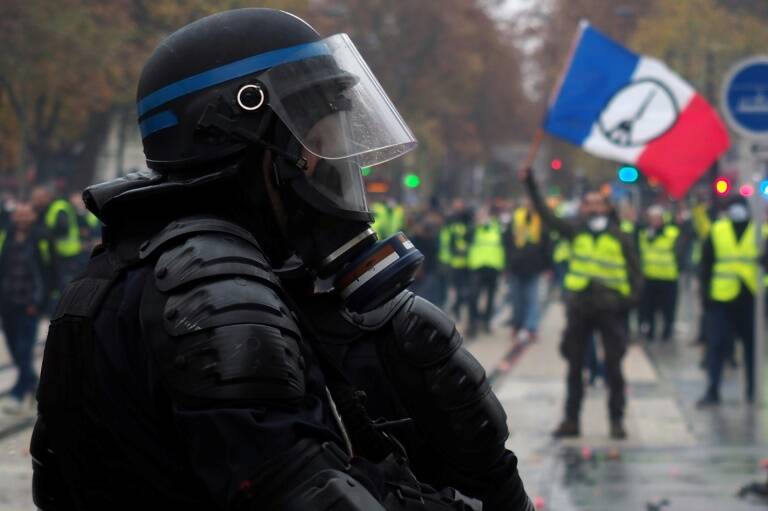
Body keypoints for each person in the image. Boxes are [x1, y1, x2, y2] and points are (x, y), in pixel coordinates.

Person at [31, 9, 532, 511]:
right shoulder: (214, 289)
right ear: (240, 134)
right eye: (319, 142)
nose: (338, 165)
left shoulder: (128, 269)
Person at [521, 168, 642, 439]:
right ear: (583, 208)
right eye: (589, 203)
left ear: (607, 207)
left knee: (614, 367)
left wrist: (628, 303)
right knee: (575, 366)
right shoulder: (575, 232)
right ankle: (571, 421)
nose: (594, 207)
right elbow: (547, 216)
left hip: (610, 310)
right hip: (580, 309)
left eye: (599, 202)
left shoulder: (619, 236)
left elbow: (636, 272)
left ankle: (616, 420)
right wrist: (531, 184)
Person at [697, 196, 766, 406]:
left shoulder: (761, 232)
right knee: (716, 345)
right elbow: (706, 265)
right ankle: (713, 390)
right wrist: (706, 296)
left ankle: (753, 391)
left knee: (752, 349)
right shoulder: (717, 230)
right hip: (722, 299)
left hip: (751, 299)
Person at [0, 203, 49, 414]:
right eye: (18, 215)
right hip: (8, 303)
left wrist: (40, 302)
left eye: (25, 214)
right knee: (13, 347)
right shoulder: (7, 237)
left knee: (24, 349)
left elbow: (49, 271)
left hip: (29, 305)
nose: (21, 218)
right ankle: (34, 385)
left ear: (32, 216)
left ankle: (20, 392)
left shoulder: (41, 238)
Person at [504, 198, 549, 342]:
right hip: (516, 266)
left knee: (532, 299)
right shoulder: (515, 218)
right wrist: (507, 264)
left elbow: (547, 243)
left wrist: (547, 265)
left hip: (533, 266)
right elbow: (506, 241)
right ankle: (518, 325)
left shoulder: (541, 220)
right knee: (517, 299)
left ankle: (530, 328)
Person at [638, 205, 682, 341]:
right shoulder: (644, 233)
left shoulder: (672, 232)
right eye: (652, 218)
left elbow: (680, 250)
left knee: (668, 308)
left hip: (668, 277)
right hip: (649, 277)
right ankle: (650, 330)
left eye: (657, 218)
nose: (654, 221)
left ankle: (667, 331)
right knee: (648, 307)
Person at [30, 185, 81, 300]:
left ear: (48, 196)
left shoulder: (59, 207)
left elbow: (63, 228)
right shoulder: (46, 209)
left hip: (66, 255)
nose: (36, 201)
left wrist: (46, 232)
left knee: (64, 288)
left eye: (39, 197)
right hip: (56, 256)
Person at [467, 206, 505, 337]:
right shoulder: (474, 228)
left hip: (493, 267)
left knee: (490, 297)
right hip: (477, 266)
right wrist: (476, 225)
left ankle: (486, 321)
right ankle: (473, 322)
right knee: (473, 296)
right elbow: (467, 237)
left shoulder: (497, 227)